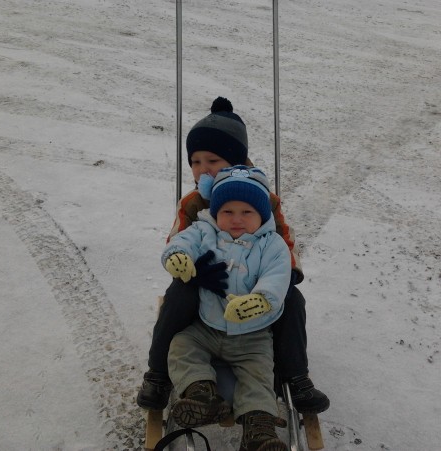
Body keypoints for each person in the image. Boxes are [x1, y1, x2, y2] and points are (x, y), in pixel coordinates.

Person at [137, 97, 329, 414]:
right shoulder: (192, 202)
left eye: (212, 161)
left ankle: (295, 378)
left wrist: (286, 276)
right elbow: (177, 239)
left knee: (293, 300)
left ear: (235, 160)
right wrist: (189, 267)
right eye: (195, 162)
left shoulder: (263, 197)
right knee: (180, 294)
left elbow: (283, 240)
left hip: (256, 284)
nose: (202, 170)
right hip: (206, 286)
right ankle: (158, 374)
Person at [163, 165, 290, 450]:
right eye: (228, 212)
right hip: (206, 326)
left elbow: (278, 276)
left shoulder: (272, 244)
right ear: (216, 212)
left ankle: (259, 430)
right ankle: (201, 395)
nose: (236, 220)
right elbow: (183, 240)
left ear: (262, 215)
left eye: (246, 212)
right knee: (181, 345)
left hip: (253, 335)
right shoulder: (205, 230)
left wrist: (261, 300)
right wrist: (177, 254)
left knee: (258, 375)